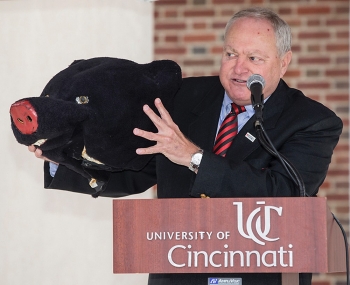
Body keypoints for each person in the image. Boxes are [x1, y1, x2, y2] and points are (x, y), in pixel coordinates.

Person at [29, 7, 342, 285]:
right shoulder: (185, 96)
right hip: (178, 274)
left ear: (284, 62)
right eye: (231, 53)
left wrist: (195, 157)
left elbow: (285, 196)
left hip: (260, 276)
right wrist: (63, 157)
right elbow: (140, 165)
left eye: (254, 58)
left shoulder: (312, 121)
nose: (239, 68)